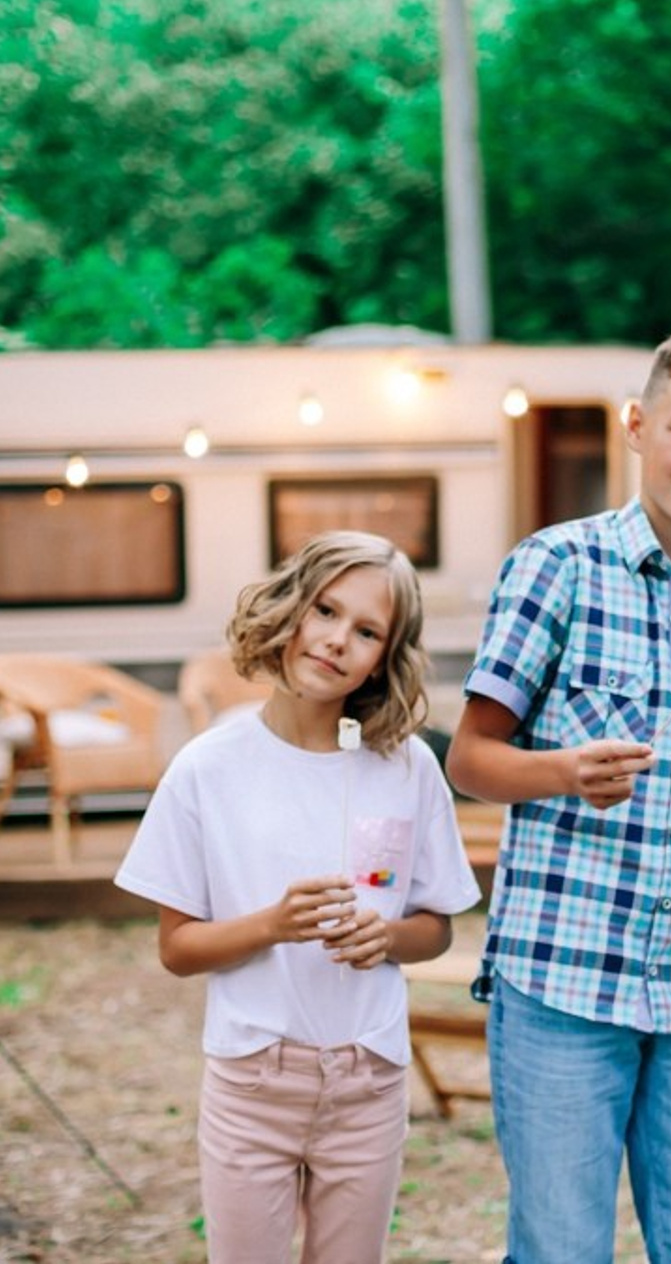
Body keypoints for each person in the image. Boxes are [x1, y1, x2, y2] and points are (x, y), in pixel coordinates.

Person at [446, 329, 671, 1263]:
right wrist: (563, 772)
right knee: (562, 1250)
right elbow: (472, 758)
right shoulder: (556, 566)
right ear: (638, 427)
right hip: (562, 982)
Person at [114, 530, 481, 1264]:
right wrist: (273, 926)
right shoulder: (208, 768)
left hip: (370, 1080)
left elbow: (436, 926)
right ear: (289, 611)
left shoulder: (405, 767)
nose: (339, 639)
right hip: (253, 1082)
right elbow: (178, 949)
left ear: (387, 655)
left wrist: (389, 938)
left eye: (368, 630)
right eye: (326, 611)